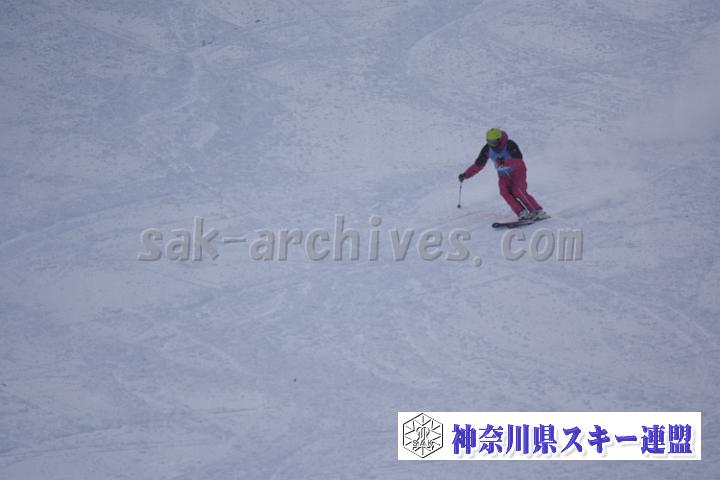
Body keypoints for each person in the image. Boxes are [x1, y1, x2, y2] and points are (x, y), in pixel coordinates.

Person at [458, 128, 547, 220]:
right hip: (503, 175)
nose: (492, 145)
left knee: (517, 190)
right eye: (489, 142)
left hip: (517, 172)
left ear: (499, 140)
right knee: (504, 192)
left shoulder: (510, 145)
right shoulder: (487, 149)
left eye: (494, 142)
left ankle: (537, 211)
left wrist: (504, 162)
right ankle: (521, 212)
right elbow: (478, 165)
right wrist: (465, 175)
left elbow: (519, 162)